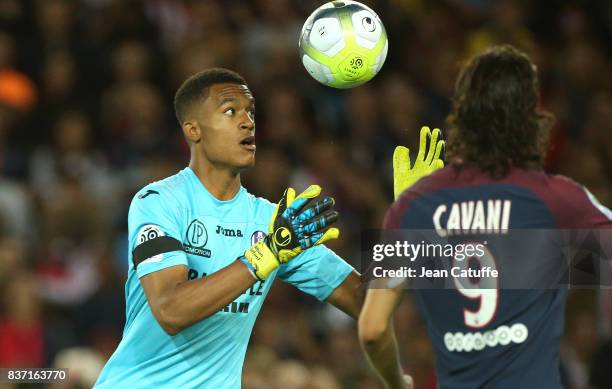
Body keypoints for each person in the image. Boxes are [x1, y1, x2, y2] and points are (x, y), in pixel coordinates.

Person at [358, 45, 612, 389]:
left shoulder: (413, 206)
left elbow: (372, 329)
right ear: (530, 118)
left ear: (460, 114)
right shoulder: (557, 199)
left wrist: (397, 383)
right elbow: (594, 268)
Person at [94, 68, 363, 388]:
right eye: (230, 111)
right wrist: (266, 255)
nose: (247, 121)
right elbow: (170, 310)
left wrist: (411, 220)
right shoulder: (158, 201)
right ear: (193, 129)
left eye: (250, 111)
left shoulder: (272, 223)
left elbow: (368, 304)